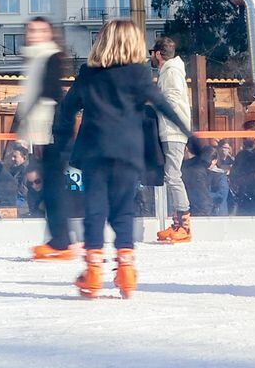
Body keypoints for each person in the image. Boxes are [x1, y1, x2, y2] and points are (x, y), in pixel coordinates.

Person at [54, 19, 172, 299]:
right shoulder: (139, 74)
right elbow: (159, 105)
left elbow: (68, 107)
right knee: (123, 210)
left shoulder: (89, 73)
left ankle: (94, 272)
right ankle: (126, 271)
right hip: (128, 152)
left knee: (95, 208)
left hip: (94, 152)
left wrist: (61, 141)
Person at [15, 16, 75, 259]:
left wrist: (23, 119)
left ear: (50, 34)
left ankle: (61, 241)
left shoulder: (50, 57)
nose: (34, 34)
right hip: (44, 128)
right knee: (50, 184)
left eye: (40, 30)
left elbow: (45, 91)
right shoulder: (35, 58)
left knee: (52, 185)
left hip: (52, 127)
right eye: (31, 30)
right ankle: (60, 239)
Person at [150, 37, 196, 244]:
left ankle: (185, 226)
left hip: (173, 131)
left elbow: (173, 100)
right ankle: (178, 223)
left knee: (173, 176)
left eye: (152, 52)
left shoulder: (170, 71)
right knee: (171, 176)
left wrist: (153, 101)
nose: (151, 56)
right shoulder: (169, 71)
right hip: (170, 130)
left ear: (159, 54)